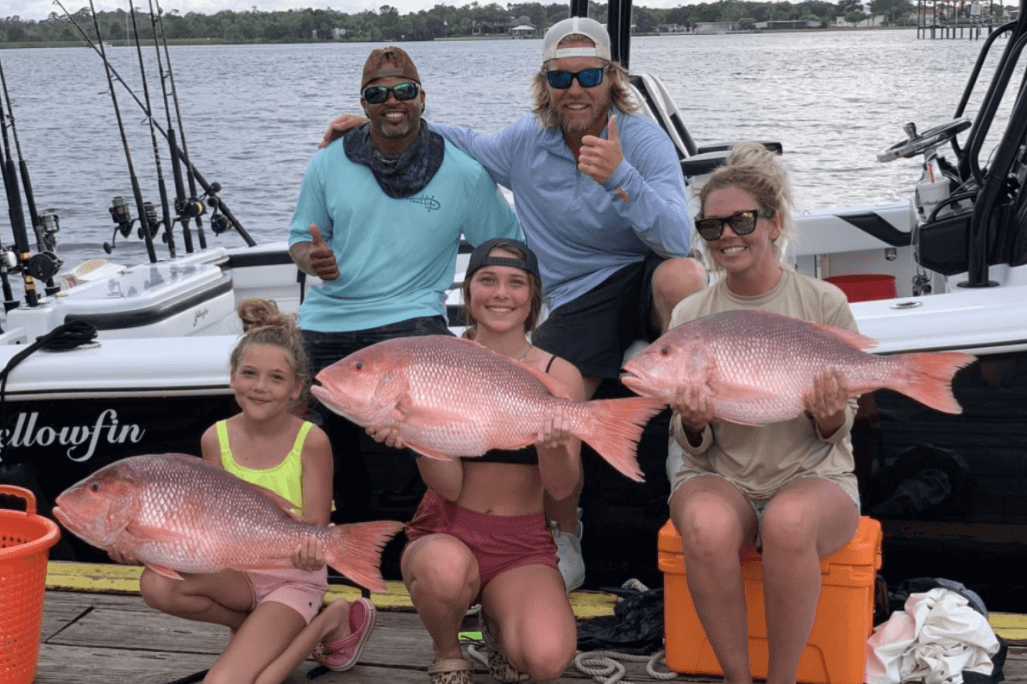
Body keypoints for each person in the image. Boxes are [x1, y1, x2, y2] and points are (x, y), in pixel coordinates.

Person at [319, 17, 707, 592]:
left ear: (611, 78)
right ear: (544, 82)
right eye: (561, 77)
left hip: (642, 273)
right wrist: (385, 123)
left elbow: (678, 234)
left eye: (588, 75)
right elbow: (466, 141)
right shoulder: (527, 142)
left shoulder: (640, 138)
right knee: (553, 400)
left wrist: (619, 176)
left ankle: (695, 447)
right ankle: (563, 528)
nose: (575, 89)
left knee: (683, 276)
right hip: (579, 296)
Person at [288, 46, 521, 524]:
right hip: (326, 318)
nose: (392, 101)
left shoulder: (463, 173)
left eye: (404, 90)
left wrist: (495, 323)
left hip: (410, 316)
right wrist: (313, 260)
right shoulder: (329, 163)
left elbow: (505, 249)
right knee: (297, 435)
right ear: (365, 102)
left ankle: (412, 543)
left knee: (409, 452)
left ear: (421, 97)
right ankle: (316, 543)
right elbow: (298, 240)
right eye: (378, 94)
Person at [667, 142, 861, 684]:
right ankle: (735, 678)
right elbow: (686, 441)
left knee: (789, 521)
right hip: (720, 477)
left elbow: (839, 428)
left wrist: (827, 415)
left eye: (742, 220)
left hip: (815, 477)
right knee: (704, 525)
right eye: (711, 228)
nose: (727, 236)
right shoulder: (690, 314)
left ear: (773, 224)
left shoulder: (824, 302)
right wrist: (695, 421)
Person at [112, 299, 376, 683]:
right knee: (156, 584)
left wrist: (311, 550)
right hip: (236, 574)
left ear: (296, 388)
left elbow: (317, 525)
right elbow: (206, 525)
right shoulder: (214, 438)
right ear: (233, 376)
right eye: (249, 373)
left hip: (292, 576)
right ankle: (257, 627)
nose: (260, 387)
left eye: (276, 378)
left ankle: (328, 621)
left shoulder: (312, 440)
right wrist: (141, 544)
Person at [367, 238, 582, 684]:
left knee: (546, 660)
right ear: (469, 294)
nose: (500, 293)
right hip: (449, 528)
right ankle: (449, 653)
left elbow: (561, 490)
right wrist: (416, 434)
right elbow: (448, 487)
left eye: (516, 283)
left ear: (533, 298)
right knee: (443, 571)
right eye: (487, 280)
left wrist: (552, 443)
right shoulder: (439, 362)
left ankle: (498, 628)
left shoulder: (560, 374)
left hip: (522, 544)